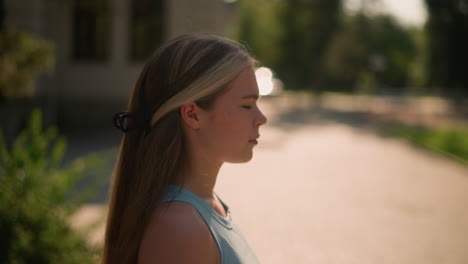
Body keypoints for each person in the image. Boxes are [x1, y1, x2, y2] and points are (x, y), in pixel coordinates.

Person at [101, 34, 267, 264]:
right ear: (192, 114)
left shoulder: (207, 206)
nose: (262, 118)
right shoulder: (179, 228)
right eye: (247, 105)